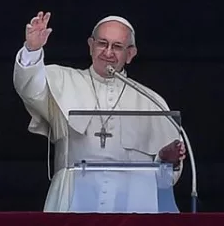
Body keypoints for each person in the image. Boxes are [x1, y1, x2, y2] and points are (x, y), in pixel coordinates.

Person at [13, 11, 186, 212]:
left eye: (118, 47)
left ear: (130, 54)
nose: (108, 52)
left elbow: (164, 180)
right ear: (91, 45)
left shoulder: (151, 101)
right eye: (102, 43)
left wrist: (165, 160)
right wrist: (32, 49)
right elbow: (29, 87)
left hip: (132, 202)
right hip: (72, 199)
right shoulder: (62, 80)